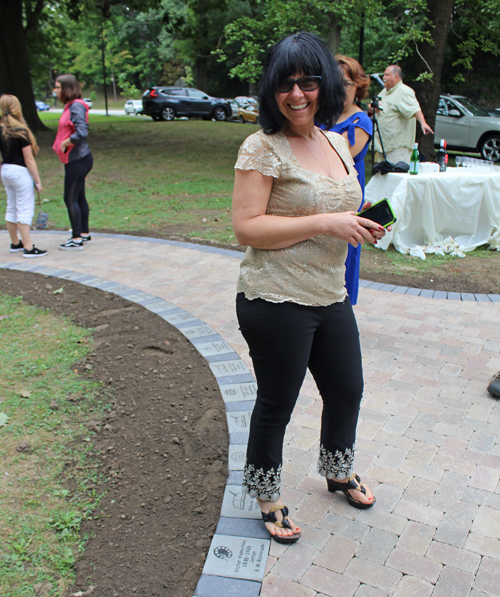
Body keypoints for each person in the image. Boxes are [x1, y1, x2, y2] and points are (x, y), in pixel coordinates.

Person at [232, 32, 388, 544]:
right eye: (285, 83)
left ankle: (338, 470)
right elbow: (247, 229)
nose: (296, 94)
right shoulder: (262, 147)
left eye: (308, 81)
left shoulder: (336, 141)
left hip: (329, 292)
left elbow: (339, 209)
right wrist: (326, 222)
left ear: (326, 84)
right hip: (275, 298)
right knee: (278, 401)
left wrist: (360, 224)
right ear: (271, 89)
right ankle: (266, 494)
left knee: (347, 388)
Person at [323, 55, 373, 305]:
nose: (340, 89)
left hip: (344, 196)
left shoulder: (360, 121)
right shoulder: (321, 116)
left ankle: (339, 312)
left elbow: (337, 158)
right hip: (318, 195)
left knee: (344, 256)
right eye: (335, 82)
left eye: (346, 83)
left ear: (358, 87)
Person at [0, 95, 47, 258]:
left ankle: (15, 243)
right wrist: (37, 180)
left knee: (11, 206)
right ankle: (28, 247)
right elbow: (29, 159)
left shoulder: (1, 129)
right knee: (25, 208)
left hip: (5, 170)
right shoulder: (21, 131)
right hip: (20, 172)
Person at [53, 74, 93, 250]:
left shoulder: (76, 106)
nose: (56, 90)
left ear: (67, 88)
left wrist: (64, 143)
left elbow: (82, 133)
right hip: (77, 159)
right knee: (79, 196)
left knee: (69, 198)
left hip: (78, 159)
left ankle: (76, 239)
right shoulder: (73, 105)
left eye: (58, 87)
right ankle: (83, 232)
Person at [371, 65, 433, 163]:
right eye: (384, 75)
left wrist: (423, 123)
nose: (384, 77)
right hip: (383, 146)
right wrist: (372, 108)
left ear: (396, 77)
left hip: (398, 148)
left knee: (396, 176)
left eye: (387, 75)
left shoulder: (405, 91)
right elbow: (375, 107)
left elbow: (415, 109)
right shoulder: (383, 92)